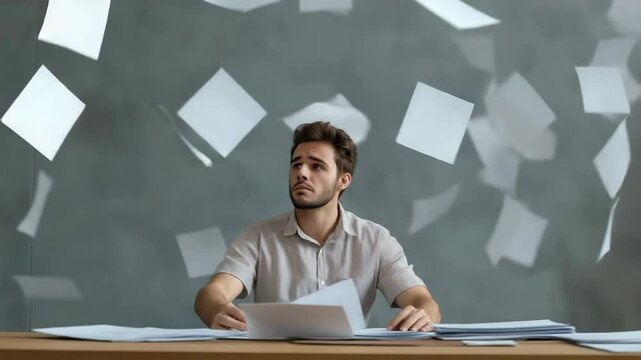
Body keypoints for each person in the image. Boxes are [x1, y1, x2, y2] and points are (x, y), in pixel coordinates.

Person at [194, 121, 440, 332]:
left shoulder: (375, 240)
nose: (301, 172)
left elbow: (422, 301)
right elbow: (212, 294)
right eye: (296, 164)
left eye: (316, 166)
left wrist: (424, 314)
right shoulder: (259, 236)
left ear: (343, 180)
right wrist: (217, 309)